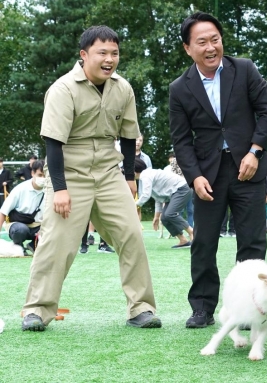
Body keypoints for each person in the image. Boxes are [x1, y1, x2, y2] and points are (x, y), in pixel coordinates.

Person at [21, 25, 161, 332]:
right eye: (102, 53)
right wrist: (59, 189)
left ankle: (141, 308)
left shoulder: (122, 88)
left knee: (131, 236)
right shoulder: (63, 89)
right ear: (84, 55)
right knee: (57, 243)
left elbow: (127, 135)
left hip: (110, 173)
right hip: (70, 174)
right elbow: (53, 143)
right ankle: (37, 310)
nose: (110, 59)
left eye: (115, 53)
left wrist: (128, 177)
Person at [169, 11, 267, 329]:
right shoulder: (180, 88)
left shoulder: (243, 69)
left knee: (252, 242)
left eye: (215, 39)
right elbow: (181, 140)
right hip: (208, 176)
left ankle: (251, 308)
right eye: (202, 42)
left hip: (249, 169)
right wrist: (194, 176)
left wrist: (255, 152)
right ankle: (202, 307)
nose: (211, 47)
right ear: (188, 48)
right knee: (204, 243)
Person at [134, 158, 194, 248]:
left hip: (182, 189)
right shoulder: (147, 176)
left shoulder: (145, 175)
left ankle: (192, 232)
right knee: (165, 218)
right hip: (174, 193)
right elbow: (158, 198)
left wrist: (134, 205)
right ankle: (183, 240)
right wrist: (157, 217)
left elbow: (146, 195)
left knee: (170, 214)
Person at [0, 160, 45, 256]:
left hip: (39, 226)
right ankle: (18, 246)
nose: (43, 178)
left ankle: (34, 245)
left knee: (55, 228)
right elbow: (3, 211)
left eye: (45, 176)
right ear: (32, 173)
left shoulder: (50, 190)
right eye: (40, 175)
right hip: (18, 224)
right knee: (20, 230)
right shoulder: (20, 189)